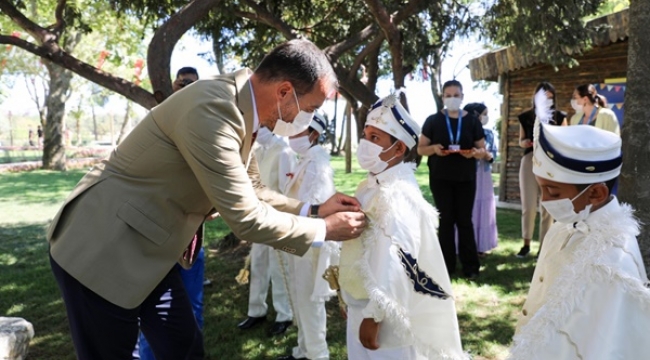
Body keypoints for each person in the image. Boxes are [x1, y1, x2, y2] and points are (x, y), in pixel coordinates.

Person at [46, 39, 367, 360]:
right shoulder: (215, 107)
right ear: (284, 92)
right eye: (310, 109)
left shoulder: (243, 110)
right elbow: (246, 218)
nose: (308, 119)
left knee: (183, 348)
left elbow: (253, 188)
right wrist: (323, 230)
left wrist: (313, 209)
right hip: (105, 248)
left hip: (153, 250)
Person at [339, 93, 465, 359]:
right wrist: (348, 292)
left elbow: (398, 261)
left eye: (376, 138)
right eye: (365, 135)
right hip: (361, 302)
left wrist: (375, 314)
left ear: (398, 150)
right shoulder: (371, 185)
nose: (365, 144)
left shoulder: (397, 193)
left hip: (386, 313)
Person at [509, 121, 650, 360]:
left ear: (596, 193)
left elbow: (606, 345)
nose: (544, 200)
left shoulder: (613, 262)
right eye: (541, 189)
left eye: (553, 192)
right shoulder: (566, 224)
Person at [135, 67, 207, 360]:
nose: (187, 88)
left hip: (190, 240)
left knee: (193, 307)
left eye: (193, 84)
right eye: (183, 83)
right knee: (152, 312)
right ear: (173, 87)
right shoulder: (156, 125)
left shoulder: (205, 128)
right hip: (155, 238)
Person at [278, 113, 338, 360]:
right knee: (298, 297)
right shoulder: (305, 158)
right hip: (297, 237)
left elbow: (317, 206)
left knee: (309, 302)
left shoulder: (318, 163)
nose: (292, 137)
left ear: (313, 134)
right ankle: (303, 350)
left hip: (310, 242)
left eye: (298, 132)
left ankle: (317, 354)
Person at [418, 79, 486, 279]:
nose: (452, 99)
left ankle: (471, 268)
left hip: (466, 178)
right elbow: (420, 148)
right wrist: (433, 149)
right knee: (446, 221)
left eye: (456, 95)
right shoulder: (432, 120)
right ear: (443, 98)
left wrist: (474, 153)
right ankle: (445, 267)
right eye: (448, 96)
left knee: (465, 221)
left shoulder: (472, 121)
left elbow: (483, 150)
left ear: (462, 97)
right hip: (441, 178)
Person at [237, 126, 295, 336]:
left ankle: (284, 315)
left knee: (279, 267)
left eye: (260, 125)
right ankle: (256, 310)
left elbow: (288, 189)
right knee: (258, 263)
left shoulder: (284, 151)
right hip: (258, 215)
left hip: (278, 217)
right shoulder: (255, 148)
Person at [516, 82, 566, 258]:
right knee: (528, 206)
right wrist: (528, 142)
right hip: (530, 159)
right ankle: (526, 244)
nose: (548, 100)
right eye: (544, 97)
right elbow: (520, 141)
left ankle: (543, 247)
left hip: (550, 162)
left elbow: (565, 140)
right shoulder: (526, 117)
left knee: (548, 206)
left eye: (551, 97)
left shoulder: (560, 117)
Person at [463, 103, 497, 256]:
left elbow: (493, 155)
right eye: (484, 113)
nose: (486, 117)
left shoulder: (489, 133)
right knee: (469, 207)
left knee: (484, 207)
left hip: (484, 174)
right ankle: (463, 244)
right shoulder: (463, 131)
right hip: (468, 173)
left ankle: (481, 244)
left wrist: (487, 155)